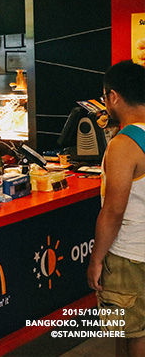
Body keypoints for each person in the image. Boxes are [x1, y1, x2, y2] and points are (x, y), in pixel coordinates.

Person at [87, 60, 145, 357]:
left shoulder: (124, 144)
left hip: (130, 255)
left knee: (134, 332)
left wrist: (96, 258)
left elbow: (113, 211)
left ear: (114, 96)